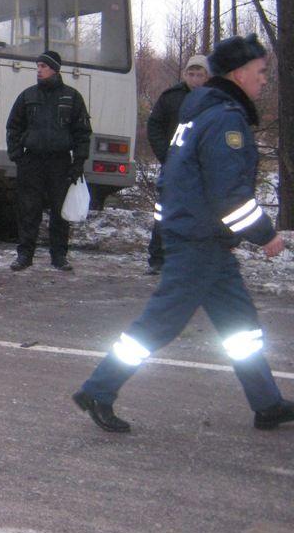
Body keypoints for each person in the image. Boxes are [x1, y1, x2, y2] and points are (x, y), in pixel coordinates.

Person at [72, 33, 292, 433]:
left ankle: (267, 402)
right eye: (261, 72)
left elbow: (180, 180)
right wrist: (265, 234)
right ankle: (98, 389)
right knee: (161, 323)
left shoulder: (203, 114)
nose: (265, 80)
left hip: (204, 240)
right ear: (239, 74)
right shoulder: (224, 119)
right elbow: (230, 197)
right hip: (198, 241)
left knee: (241, 326)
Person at [5, 50, 92, 271]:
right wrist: (18, 156)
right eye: (38, 67)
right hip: (31, 162)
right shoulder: (28, 96)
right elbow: (13, 126)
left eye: (43, 67)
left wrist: (78, 162)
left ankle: (59, 257)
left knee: (60, 212)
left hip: (60, 163)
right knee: (28, 210)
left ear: (54, 69)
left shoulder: (72, 97)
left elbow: (82, 132)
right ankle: (24, 255)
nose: (39, 71)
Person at [144, 54, 210, 274]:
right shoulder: (171, 97)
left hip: (203, 169)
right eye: (191, 74)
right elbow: (154, 125)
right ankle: (158, 258)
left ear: (207, 77)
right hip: (174, 167)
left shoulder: (216, 100)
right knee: (165, 213)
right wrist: (166, 155)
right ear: (185, 75)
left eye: (199, 74)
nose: (195, 79)